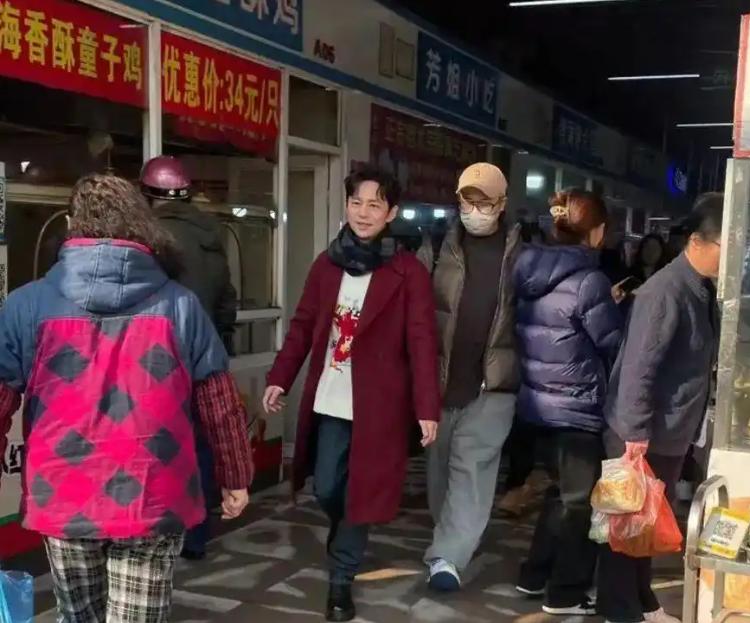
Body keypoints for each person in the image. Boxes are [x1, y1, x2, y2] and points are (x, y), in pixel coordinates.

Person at [0, 174, 253, 622]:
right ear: (141, 224)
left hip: (63, 493)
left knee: (79, 616)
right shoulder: (180, 305)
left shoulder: (26, 305)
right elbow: (218, 399)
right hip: (153, 493)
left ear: (71, 225)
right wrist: (235, 475)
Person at [261, 165, 440, 623]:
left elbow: (422, 342)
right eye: (356, 202)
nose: (363, 213)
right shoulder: (327, 264)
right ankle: (342, 534)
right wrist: (280, 377)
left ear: (391, 213)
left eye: (374, 205)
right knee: (327, 487)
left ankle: (341, 580)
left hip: (378, 407)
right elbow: (302, 326)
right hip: (330, 398)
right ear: (346, 206)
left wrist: (426, 407)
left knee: (360, 493)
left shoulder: (408, 272)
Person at [598, 193, 723, 623]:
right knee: (626, 526)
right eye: (725, 244)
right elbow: (638, 369)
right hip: (641, 432)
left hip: (668, 431)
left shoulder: (699, 288)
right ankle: (620, 609)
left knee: (648, 523)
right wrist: (634, 435)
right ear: (696, 241)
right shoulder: (665, 292)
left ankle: (642, 600)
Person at [513, 188, 622, 616]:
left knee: (560, 494)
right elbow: (611, 342)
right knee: (580, 504)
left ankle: (534, 574)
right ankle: (565, 591)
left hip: (538, 404)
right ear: (595, 231)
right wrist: (614, 308)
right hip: (577, 406)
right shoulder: (590, 281)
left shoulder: (528, 269)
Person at [419, 162, 521, 591]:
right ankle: (450, 536)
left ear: (502, 204)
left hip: (493, 385)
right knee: (440, 473)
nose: (475, 210)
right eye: (468, 200)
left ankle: (447, 557)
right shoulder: (436, 249)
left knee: (472, 470)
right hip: (441, 382)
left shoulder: (522, 255)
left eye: (484, 202)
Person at [140, 155, 238, 560]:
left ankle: (160, 531)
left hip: (157, 362)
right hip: (204, 357)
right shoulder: (210, 235)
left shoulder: (148, 237)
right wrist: (219, 347)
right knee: (200, 444)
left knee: (157, 447)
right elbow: (227, 301)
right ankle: (196, 535)